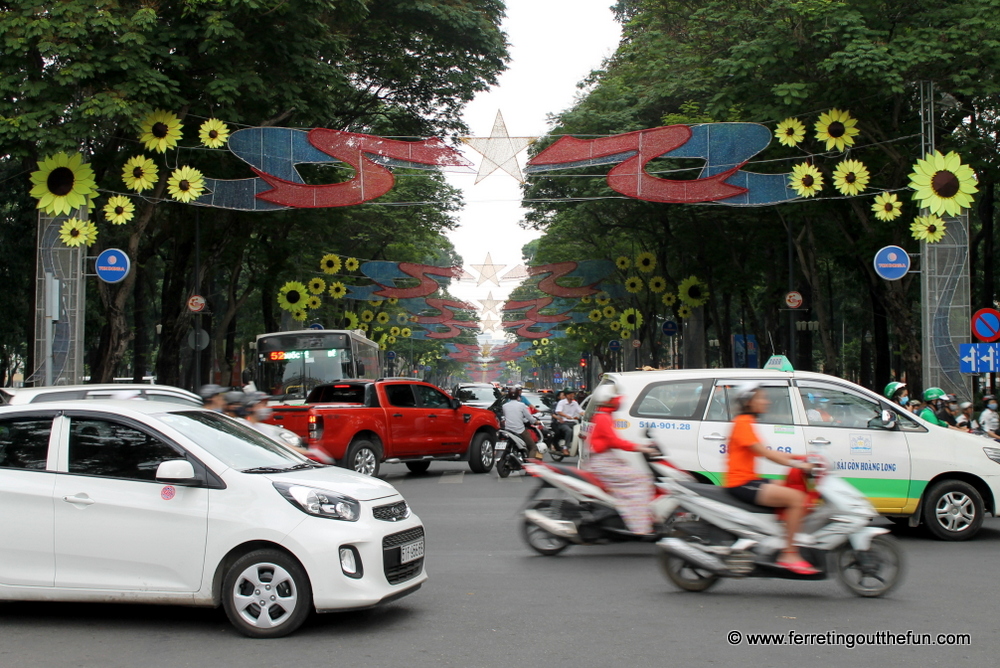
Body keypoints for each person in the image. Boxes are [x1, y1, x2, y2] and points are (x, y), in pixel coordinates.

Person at [724, 383, 817, 575]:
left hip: (750, 479)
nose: (766, 401)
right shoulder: (742, 423)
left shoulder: (747, 422)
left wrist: (800, 457)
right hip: (741, 483)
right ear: (749, 402)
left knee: (792, 488)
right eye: (760, 398)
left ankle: (780, 538)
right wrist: (799, 464)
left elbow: (768, 452)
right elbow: (765, 454)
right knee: (796, 499)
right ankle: (789, 554)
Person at [583, 383, 657, 535]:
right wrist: (641, 448)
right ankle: (639, 526)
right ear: (609, 400)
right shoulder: (603, 417)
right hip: (602, 462)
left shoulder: (604, 415)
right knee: (642, 479)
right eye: (616, 397)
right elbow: (615, 441)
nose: (619, 400)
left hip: (606, 459)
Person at [502, 387, 542, 460]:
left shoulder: (504, 406)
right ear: (518, 396)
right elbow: (529, 417)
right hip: (519, 430)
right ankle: (530, 466)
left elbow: (507, 416)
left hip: (508, 430)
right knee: (533, 447)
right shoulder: (521, 405)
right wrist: (535, 421)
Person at [553, 389, 583, 455]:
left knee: (581, 431)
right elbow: (558, 411)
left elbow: (580, 411)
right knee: (569, 431)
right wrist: (566, 416)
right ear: (566, 395)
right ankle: (565, 448)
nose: (572, 396)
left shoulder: (575, 403)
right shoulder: (561, 402)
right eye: (570, 394)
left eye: (573, 394)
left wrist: (586, 414)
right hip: (563, 423)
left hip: (573, 422)